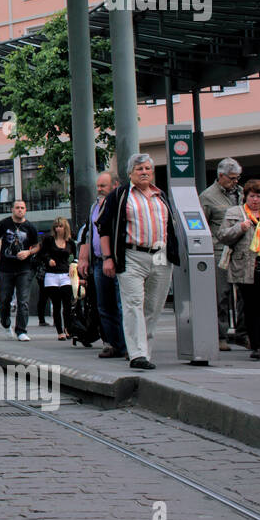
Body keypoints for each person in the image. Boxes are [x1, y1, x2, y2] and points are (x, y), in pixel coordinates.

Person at [100, 154, 180, 371]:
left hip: (160, 255)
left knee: (154, 306)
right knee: (133, 304)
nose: (144, 172)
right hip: (131, 255)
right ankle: (137, 354)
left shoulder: (160, 195)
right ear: (130, 173)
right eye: (139, 169)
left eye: (147, 168)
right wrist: (108, 258)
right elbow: (104, 228)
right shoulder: (119, 195)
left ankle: (146, 351)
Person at [216, 179, 260, 360]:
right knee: (250, 307)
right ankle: (255, 344)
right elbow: (223, 236)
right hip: (244, 266)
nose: (255, 200)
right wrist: (239, 228)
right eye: (251, 196)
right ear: (245, 197)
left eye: (259, 196)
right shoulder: (235, 213)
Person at [78, 171, 127, 359]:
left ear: (115, 185)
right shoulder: (94, 207)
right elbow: (89, 233)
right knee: (104, 306)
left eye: (102, 186)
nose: (98, 189)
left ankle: (127, 345)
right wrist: (84, 258)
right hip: (98, 261)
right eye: (97, 186)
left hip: (117, 260)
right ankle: (112, 343)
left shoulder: (121, 204)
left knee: (121, 304)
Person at [200, 157, 244, 351]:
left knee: (244, 293)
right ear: (221, 176)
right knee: (221, 295)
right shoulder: (208, 197)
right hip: (219, 251)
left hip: (242, 250)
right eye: (232, 178)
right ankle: (220, 335)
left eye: (238, 178)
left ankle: (243, 333)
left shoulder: (242, 194)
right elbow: (202, 225)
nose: (235, 182)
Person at [0, 200, 41, 340]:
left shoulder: (30, 227)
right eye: (17, 208)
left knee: (23, 300)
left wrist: (28, 252)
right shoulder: (4, 224)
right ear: (12, 209)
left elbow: (37, 246)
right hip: (6, 268)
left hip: (24, 268)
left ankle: (21, 330)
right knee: (4, 299)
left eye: (22, 208)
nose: (20, 210)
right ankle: (5, 321)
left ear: (25, 210)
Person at [40, 217, 77, 341]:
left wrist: (74, 265)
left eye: (60, 226)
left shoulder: (70, 242)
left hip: (65, 274)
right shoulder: (49, 240)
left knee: (67, 304)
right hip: (51, 275)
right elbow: (42, 254)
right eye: (56, 226)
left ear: (65, 228)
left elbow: (75, 256)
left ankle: (67, 328)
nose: (58, 229)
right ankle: (60, 331)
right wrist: (48, 260)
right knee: (56, 304)